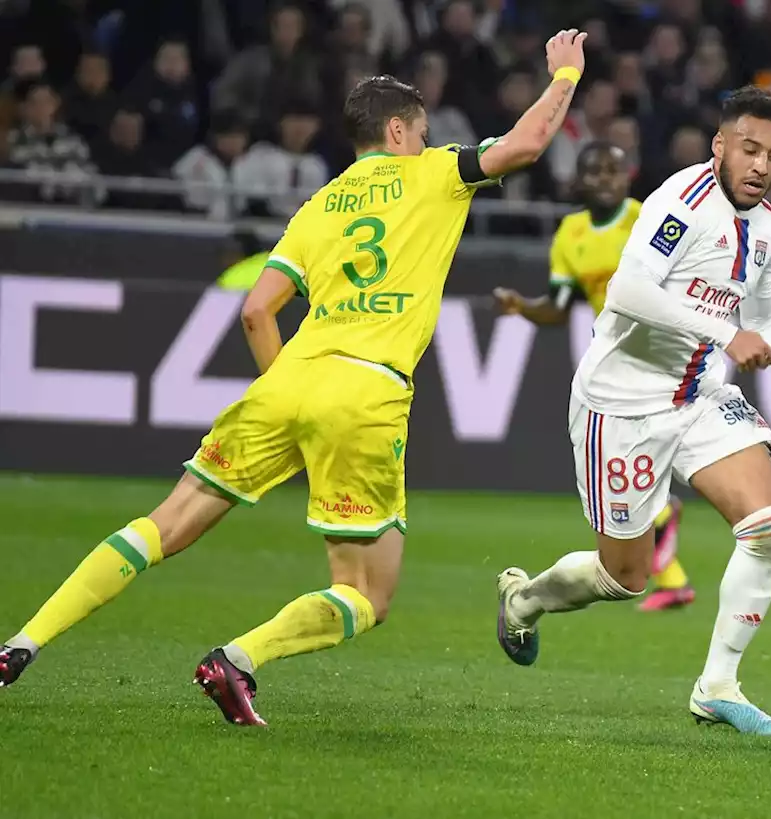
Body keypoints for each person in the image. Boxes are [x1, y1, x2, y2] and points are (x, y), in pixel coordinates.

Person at [0, 30, 591, 722]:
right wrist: (566, 75)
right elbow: (522, 146)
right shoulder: (435, 172)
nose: (427, 143)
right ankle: (239, 658)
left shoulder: (318, 206)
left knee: (163, 524)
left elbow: (257, 310)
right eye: (422, 132)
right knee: (367, 595)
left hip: (289, 379)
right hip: (366, 389)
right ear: (400, 130)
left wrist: (294, 400)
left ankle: (21, 641)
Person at [493, 87, 771, 735]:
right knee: (625, 577)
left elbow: (764, 319)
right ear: (719, 146)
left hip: (698, 398)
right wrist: (726, 334)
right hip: (621, 406)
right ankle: (523, 599)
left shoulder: (768, 230)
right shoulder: (681, 201)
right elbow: (631, 288)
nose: (760, 166)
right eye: (749, 149)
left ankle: (717, 684)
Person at [492, 142, 696, 613]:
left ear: (629, 175)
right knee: (628, 471)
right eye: (594, 171)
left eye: (613, 169)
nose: (605, 178)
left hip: (664, 355)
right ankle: (671, 562)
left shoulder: (650, 219)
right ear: (579, 181)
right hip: (615, 364)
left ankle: (665, 521)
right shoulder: (572, 233)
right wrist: (521, 306)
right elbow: (559, 308)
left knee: (638, 466)